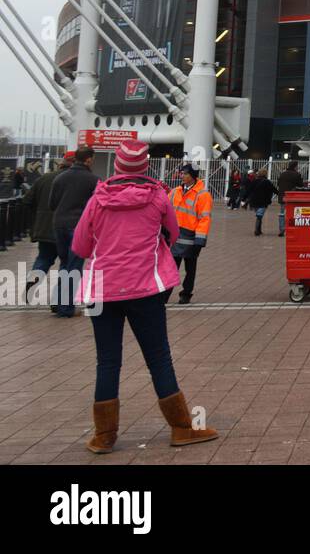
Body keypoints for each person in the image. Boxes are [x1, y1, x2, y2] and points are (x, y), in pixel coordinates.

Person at [72, 141, 218, 454]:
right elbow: (174, 234)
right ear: (144, 167)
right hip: (145, 289)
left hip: (102, 290)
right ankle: (181, 428)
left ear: (117, 166)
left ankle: (104, 436)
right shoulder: (158, 198)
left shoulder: (98, 199)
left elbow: (81, 246)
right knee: (158, 358)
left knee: (107, 361)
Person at [48, 145, 99, 317]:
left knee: (64, 264)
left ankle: (58, 301)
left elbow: (52, 204)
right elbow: (97, 207)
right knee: (74, 266)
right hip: (78, 226)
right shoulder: (93, 180)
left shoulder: (60, 178)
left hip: (59, 224)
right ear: (89, 159)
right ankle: (66, 307)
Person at [22, 159, 65, 304]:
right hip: (67, 228)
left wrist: (38, 215)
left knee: (44, 258)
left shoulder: (44, 178)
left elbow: (27, 201)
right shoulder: (77, 179)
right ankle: (58, 299)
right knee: (67, 263)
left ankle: (32, 283)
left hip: (44, 227)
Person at [169, 164, 212, 304]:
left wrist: (200, 240)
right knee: (170, 268)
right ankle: (164, 294)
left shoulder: (203, 195)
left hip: (191, 238)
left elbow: (204, 219)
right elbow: (166, 210)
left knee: (190, 269)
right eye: (181, 173)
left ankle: (186, 294)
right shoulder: (175, 191)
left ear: (193, 176)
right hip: (175, 236)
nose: (182, 175)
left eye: (185, 173)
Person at [246, 169, 278, 236]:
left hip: (254, 201)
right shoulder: (267, 182)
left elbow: (249, 190)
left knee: (259, 215)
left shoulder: (254, 181)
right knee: (259, 216)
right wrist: (281, 194)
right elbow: (274, 190)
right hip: (263, 201)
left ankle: (259, 230)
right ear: (265, 174)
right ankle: (256, 230)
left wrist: (245, 198)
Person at [276, 161, 304, 237]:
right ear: (295, 166)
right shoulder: (297, 175)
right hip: (292, 197)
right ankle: (291, 229)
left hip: (283, 196)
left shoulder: (282, 174)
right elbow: (301, 186)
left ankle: (281, 229)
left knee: (282, 214)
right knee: (293, 214)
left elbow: (278, 184)